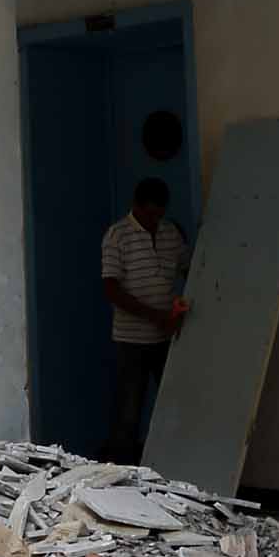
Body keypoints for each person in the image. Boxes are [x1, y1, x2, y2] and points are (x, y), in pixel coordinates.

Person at [101, 173, 191, 460]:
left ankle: (174, 464)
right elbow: (112, 289)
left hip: (167, 336)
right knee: (129, 411)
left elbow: (189, 269)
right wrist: (155, 316)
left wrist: (179, 310)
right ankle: (121, 474)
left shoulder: (170, 233)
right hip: (132, 340)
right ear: (136, 207)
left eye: (160, 214)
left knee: (175, 404)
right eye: (150, 214)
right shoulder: (118, 236)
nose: (155, 221)